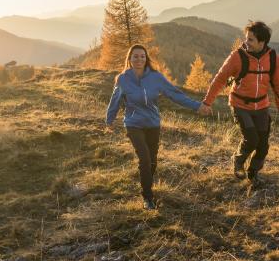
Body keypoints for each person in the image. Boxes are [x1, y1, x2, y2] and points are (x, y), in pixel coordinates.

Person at [106, 44, 210, 210]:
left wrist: (197, 106)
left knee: (152, 161)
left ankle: (147, 182)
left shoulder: (156, 77)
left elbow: (175, 95)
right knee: (145, 159)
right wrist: (109, 119)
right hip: (133, 124)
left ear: (146, 59)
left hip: (153, 124)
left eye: (142, 56)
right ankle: (147, 197)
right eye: (135, 56)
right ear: (129, 59)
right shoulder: (123, 79)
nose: (139, 59)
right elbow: (115, 100)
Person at [203, 21, 279, 187]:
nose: (246, 42)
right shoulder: (237, 56)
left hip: (262, 106)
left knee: (263, 145)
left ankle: (253, 172)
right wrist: (207, 102)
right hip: (240, 104)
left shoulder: (272, 58)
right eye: (246, 38)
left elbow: (277, 85)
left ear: (262, 42)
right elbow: (220, 79)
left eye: (251, 40)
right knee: (251, 139)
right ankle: (238, 161)